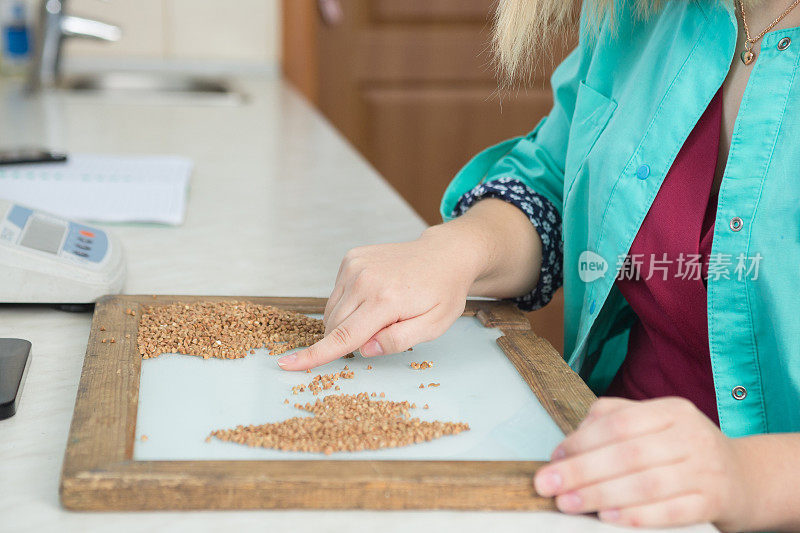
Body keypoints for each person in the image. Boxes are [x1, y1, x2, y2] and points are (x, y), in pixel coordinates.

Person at [278, 0, 800, 529]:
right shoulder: (646, 11)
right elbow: (556, 178)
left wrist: (744, 478)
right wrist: (460, 249)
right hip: (602, 468)